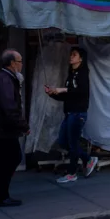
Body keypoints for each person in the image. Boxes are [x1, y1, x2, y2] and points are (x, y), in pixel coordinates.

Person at [45, 46, 97, 183]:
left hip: (78, 113)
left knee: (73, 143)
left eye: (74, 55)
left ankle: (72, 173)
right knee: (63, 141)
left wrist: (62, 89)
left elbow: (81, 92)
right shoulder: (71, 75)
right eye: (71, 54)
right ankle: (87, 159)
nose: (71, 57)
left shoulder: (83, 74)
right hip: (69, 112)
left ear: (81, 58)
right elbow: (68, 95)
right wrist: (53, 94)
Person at [0, 50, 29, 207]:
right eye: (20, 61)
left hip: (2, 129)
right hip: (4, 130)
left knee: (3, 161)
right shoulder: (5, 80)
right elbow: (10, 108)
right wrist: (23, 126)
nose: (22, 64)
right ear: (12, 63)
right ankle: (0, 194)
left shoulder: (6, 78)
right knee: (11, 158)